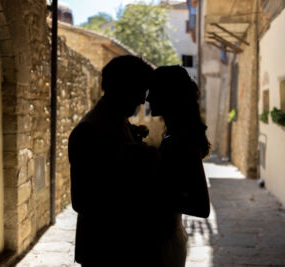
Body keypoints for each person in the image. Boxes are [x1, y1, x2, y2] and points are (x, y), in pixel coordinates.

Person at [68, 55, 156, 266]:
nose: (142, 100)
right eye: (139, 91)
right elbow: (82, 200)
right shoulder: (89, 132)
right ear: (122, 88)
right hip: (104, 249)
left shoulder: (119, 123)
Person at [147, 65, 211, 267]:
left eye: (154, 91)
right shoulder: (172, 134)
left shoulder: (183, 140)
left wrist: (151, 194)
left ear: (169, 95)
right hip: (163, 239)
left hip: (166, 245)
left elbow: (201, 206)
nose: (148, 98)